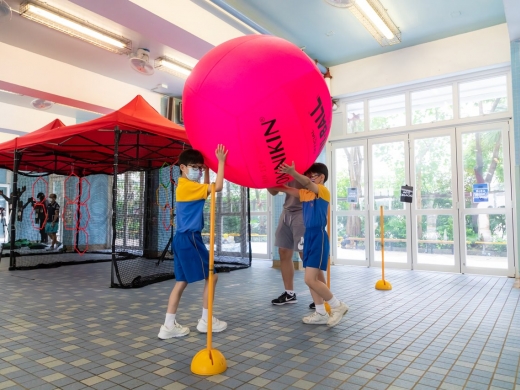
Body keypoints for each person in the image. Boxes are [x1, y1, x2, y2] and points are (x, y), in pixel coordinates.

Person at [158, 144, 228, 339]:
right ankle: (207, 321)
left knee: (181, 282)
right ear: (182, 167)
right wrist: (221, 162)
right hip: (190, 238)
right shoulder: (188, 186)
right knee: (212, 277)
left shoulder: (186, 186)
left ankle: (168, 326)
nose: (197, 170)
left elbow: (206, 191)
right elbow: (218, 187)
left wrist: (206, 173)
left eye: (199, 167)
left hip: (180, 238)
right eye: (194, 167)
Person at [271, 162, 349, 327]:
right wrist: (265, 179)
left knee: (310, 279)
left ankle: (337, 306)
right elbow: (288, 190)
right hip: (309, 236)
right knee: (310, 278)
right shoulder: (305, 193)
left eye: (313, 176)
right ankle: (320, 312)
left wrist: (293, 171)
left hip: (318, 237)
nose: (309, 179)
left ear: (321, 178)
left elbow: (306, 184)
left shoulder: (323, 191)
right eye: (309, 176)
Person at [267, 180, 305, 305]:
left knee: (305, 254)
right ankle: (289, 294)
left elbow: (310, 190)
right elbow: (273, 192)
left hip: (303, 211)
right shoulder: (281, 168)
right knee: (283, 251)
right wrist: (265, 180)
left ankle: (320, 298)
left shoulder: (308, 167)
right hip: (287, 212)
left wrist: (284, 187)